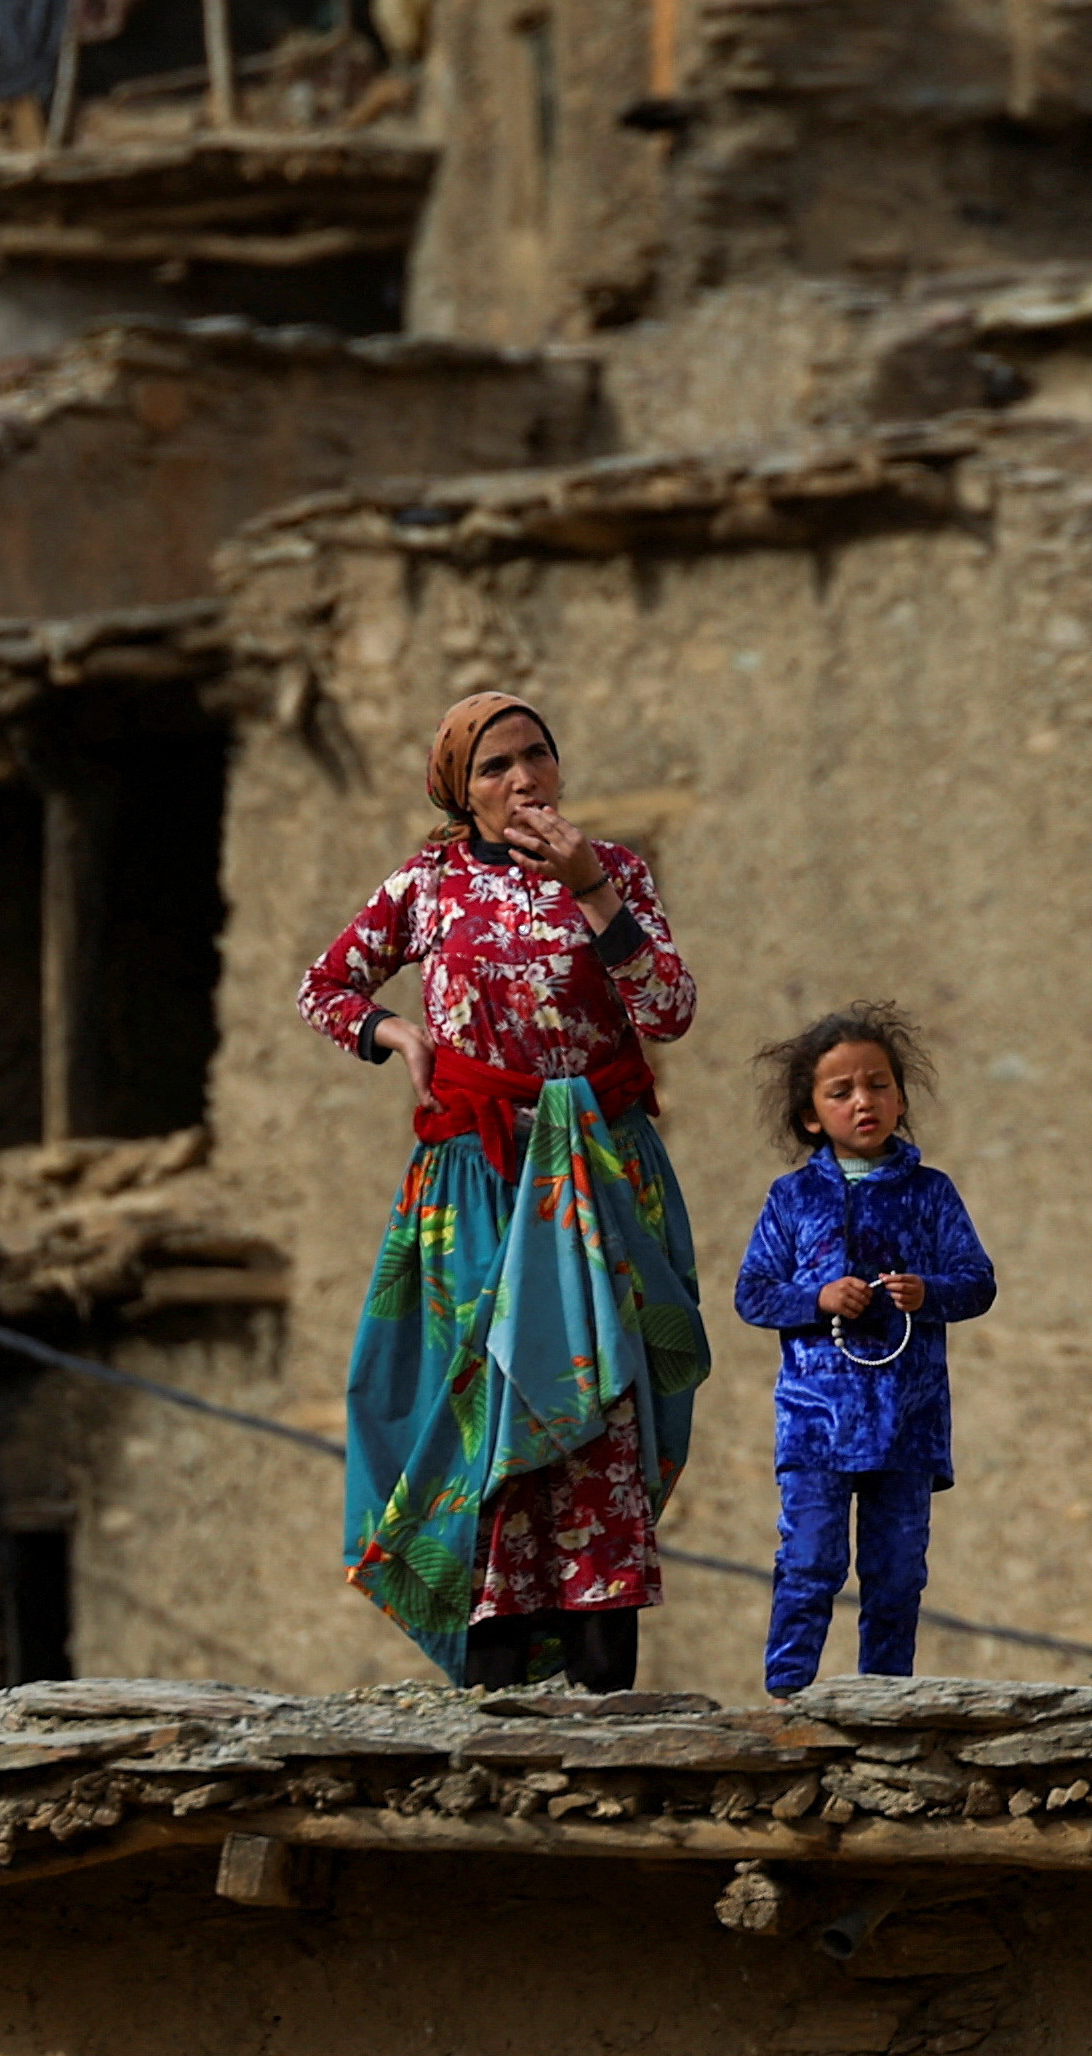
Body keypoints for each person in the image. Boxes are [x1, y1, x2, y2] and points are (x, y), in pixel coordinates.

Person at [297, 693, 710, 1693]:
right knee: (485, 1411)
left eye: (536, 756)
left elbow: (667, 1008)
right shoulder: (425, 885)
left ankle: (606, 1692)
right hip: (476, 1183)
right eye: (494, 766)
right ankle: (492, 1694)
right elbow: (325, 986)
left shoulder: (613, 875)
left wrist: (593, 894)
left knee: (599, 1411)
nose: (522, 779)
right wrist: (397, 1037)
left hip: (596, 1188)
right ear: (456, 788)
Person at [732, 1008, 997, 1695]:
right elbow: (753, 1293)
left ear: (901, 1098)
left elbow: (978, 1283)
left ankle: (886, 1699)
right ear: (812, 1115)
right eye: (841, 1090)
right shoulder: (792, 1199)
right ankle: (787, 1694)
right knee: (811, 1559)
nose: (863, 1101)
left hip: (907, 1421)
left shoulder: (930, 1193)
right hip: (817, 1422)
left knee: (898, 1568)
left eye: (878, 1085)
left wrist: (926, 1292)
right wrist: (818, 1298)